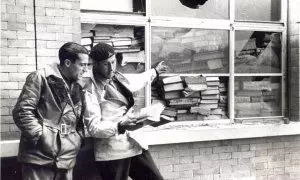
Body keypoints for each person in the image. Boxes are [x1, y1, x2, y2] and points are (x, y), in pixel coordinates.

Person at [83, 43, 167, 180]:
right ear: (95, 65)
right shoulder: (90, 90)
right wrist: (119, 126)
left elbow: (136, 81)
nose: (111, 68)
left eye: (113, 62)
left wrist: (154, 72)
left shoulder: (117, 78)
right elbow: (93, 127)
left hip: (133, 144)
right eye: (106, 64)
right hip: (112, 151)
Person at [12, 42, 90, 180]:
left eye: (87, 65)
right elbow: (22, 112)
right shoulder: (40, 77)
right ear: (67, 63)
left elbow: (79, 119)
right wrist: (42, 136)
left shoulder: (79, 85)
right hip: (39, 158)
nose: (86, 69)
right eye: (82, 65)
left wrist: (78, 138)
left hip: (67, 158)